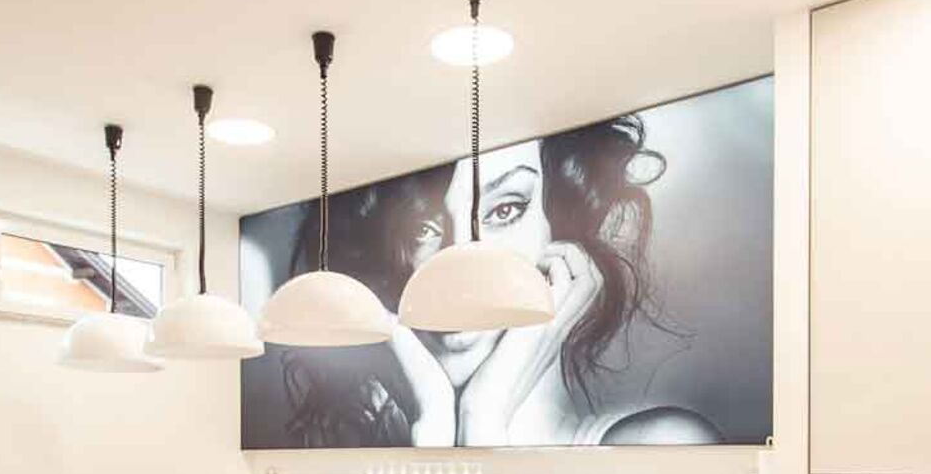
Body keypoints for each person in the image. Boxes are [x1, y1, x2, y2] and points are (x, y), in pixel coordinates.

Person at [274, 114, 721, 448]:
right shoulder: (367, 454)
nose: (460, 268)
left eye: (505, 210)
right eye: (421, 230)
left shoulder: (669, 445)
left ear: (560, 239)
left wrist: (482, 419)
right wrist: (436, 432)